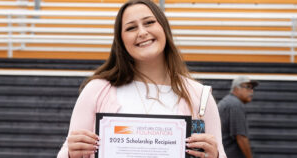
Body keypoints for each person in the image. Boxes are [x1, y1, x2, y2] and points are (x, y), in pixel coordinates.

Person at [57, 0, 226, 157]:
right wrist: (72, 153)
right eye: (131, 28)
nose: (142, 32)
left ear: (164, 28)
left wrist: (215, 155)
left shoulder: (199, 95)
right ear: (121, 41)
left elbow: (221, 154)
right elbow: (66, 152)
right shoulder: (96, 90)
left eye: (149, 22)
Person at [218, 76, 259, 158]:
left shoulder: (227, 101)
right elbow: (241, 137)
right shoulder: (235, 105)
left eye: (252, 88)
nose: (251, 91)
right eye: (248, 87)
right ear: (236, 88)